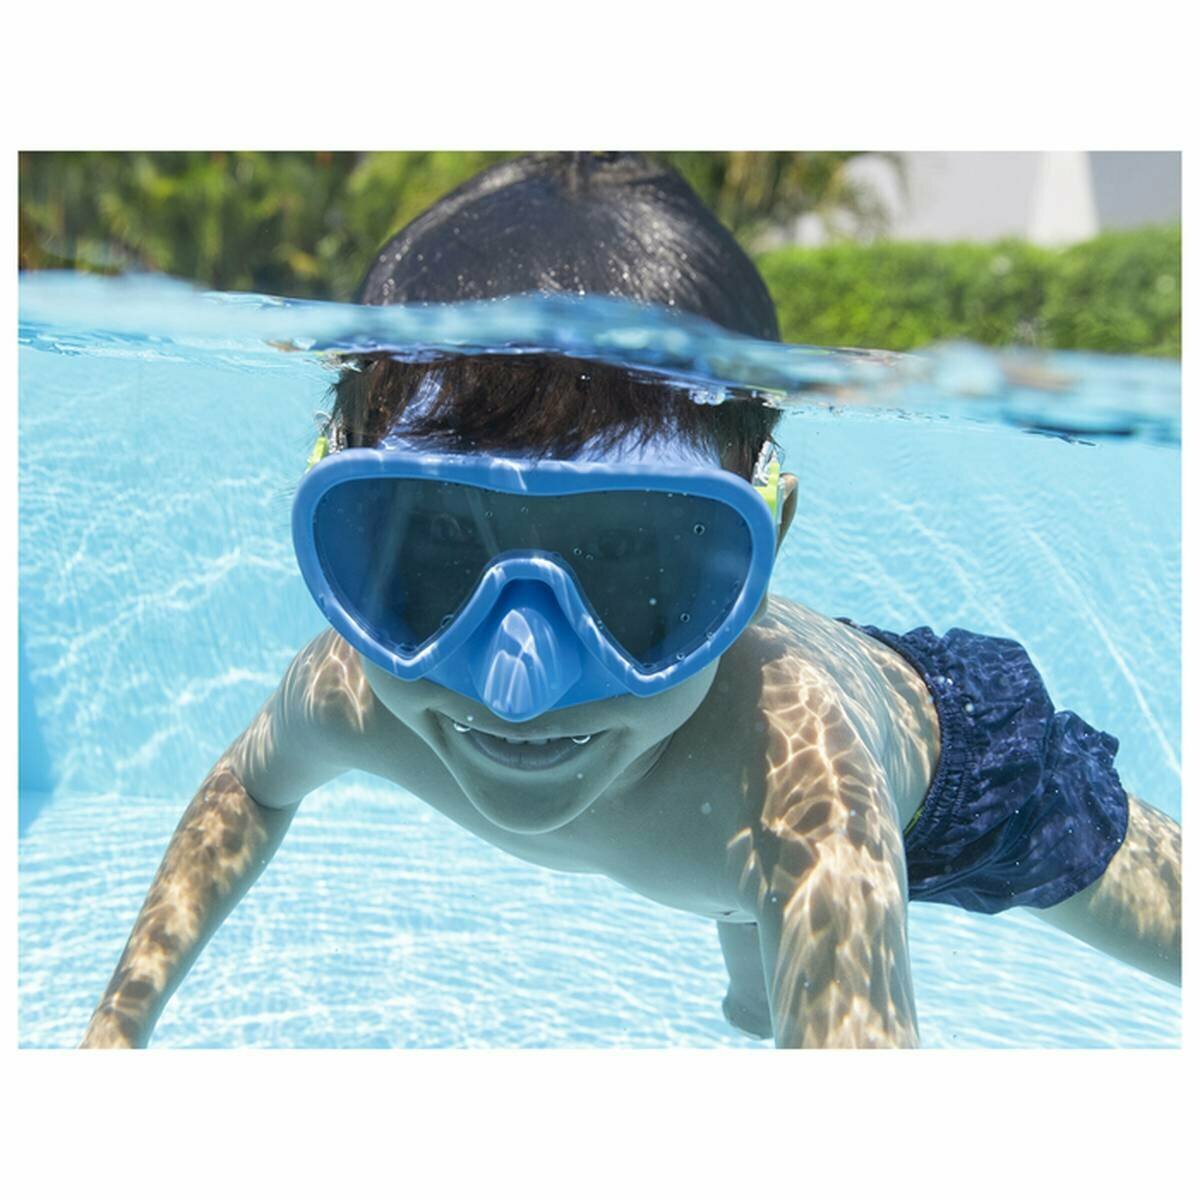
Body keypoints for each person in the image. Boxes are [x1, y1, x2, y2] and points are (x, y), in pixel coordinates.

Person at [80, 152, 1181, 1049]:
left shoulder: (809, 798)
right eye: (439, 551)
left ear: (769, 548)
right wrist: (113, 1036)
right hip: (729, 797)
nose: (518, 684)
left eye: (628, 566)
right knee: (756, 989)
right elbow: (247, 789)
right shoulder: (353, 687)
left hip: (950, 770)